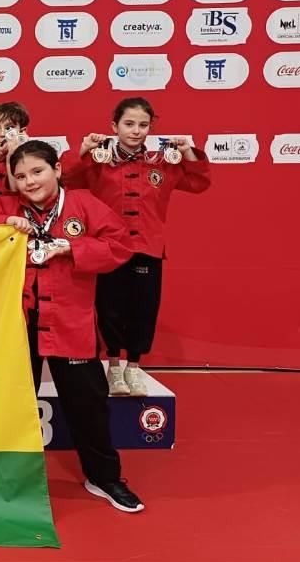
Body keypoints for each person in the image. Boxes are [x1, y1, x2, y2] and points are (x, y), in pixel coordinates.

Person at [0, 140, 144, 514]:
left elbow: (121, 244)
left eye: (37, 171)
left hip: (70, 322)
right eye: (21, 176)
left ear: (57, 169)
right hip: (19, 322)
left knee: (88, 405)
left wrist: (71, 248)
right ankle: (5, 478)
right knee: (10, 403)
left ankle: (104, 477)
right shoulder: (7, 205)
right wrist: (5, 223)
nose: (30, 181)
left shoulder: (82, 203)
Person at [69, 97, 211, 397]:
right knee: (108, 309)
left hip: (148, 248)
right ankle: (114, 367)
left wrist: (188, 152)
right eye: (129, 124)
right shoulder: (99, 161)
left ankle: (133, 367)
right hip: (108, 249)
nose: (136, 131)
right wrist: (82, 151)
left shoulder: (163, 163)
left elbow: (199, 183)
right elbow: (66, 179)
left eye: (143, 125)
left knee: (143, 310)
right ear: (114, 126)